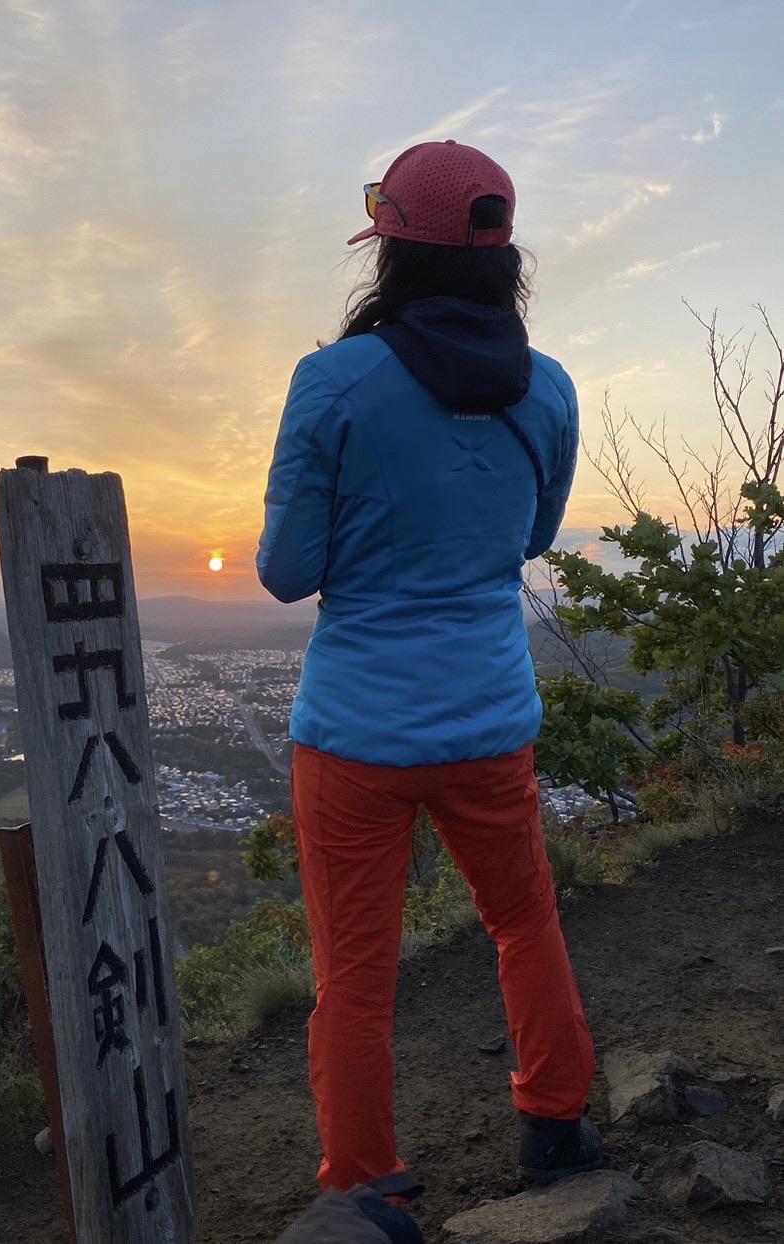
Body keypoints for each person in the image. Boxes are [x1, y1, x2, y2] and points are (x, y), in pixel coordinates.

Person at [256, 139, 602, 1197]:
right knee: (524, 920)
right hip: (489, 717)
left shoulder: (334, 381)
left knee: (354, 978)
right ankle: (555, 1123)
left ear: (389, 252)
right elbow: (535, 533)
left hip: (356, 733)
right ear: (503, 257)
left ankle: (363, 1186)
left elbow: (284, 571)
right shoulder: (546, 391)